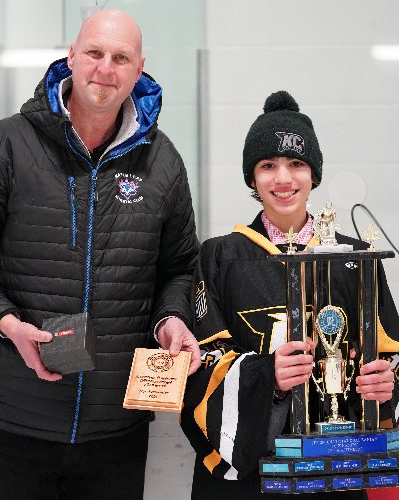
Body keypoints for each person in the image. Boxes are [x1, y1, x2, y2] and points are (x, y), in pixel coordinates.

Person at [0, 9, 201, 500]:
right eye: (94, 53)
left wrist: (171, 319)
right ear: (71, 57)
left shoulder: (162, 162)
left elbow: (178, 269)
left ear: (139, 69)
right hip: (11, 421)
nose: (105, 68)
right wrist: (7, 324)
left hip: (115, 433)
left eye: (121, 58)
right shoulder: (7, 145)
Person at [181, 90, 399, 499]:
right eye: (268, 165)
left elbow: (389, 350)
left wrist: (384, 384)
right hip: (248, 479)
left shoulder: (356, 259)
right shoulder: (220, 257)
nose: (283, 178)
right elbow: (200, 364)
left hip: (334, 469)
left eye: (297, 164)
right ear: (252, 178)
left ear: (314, 174)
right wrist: (269, 379)